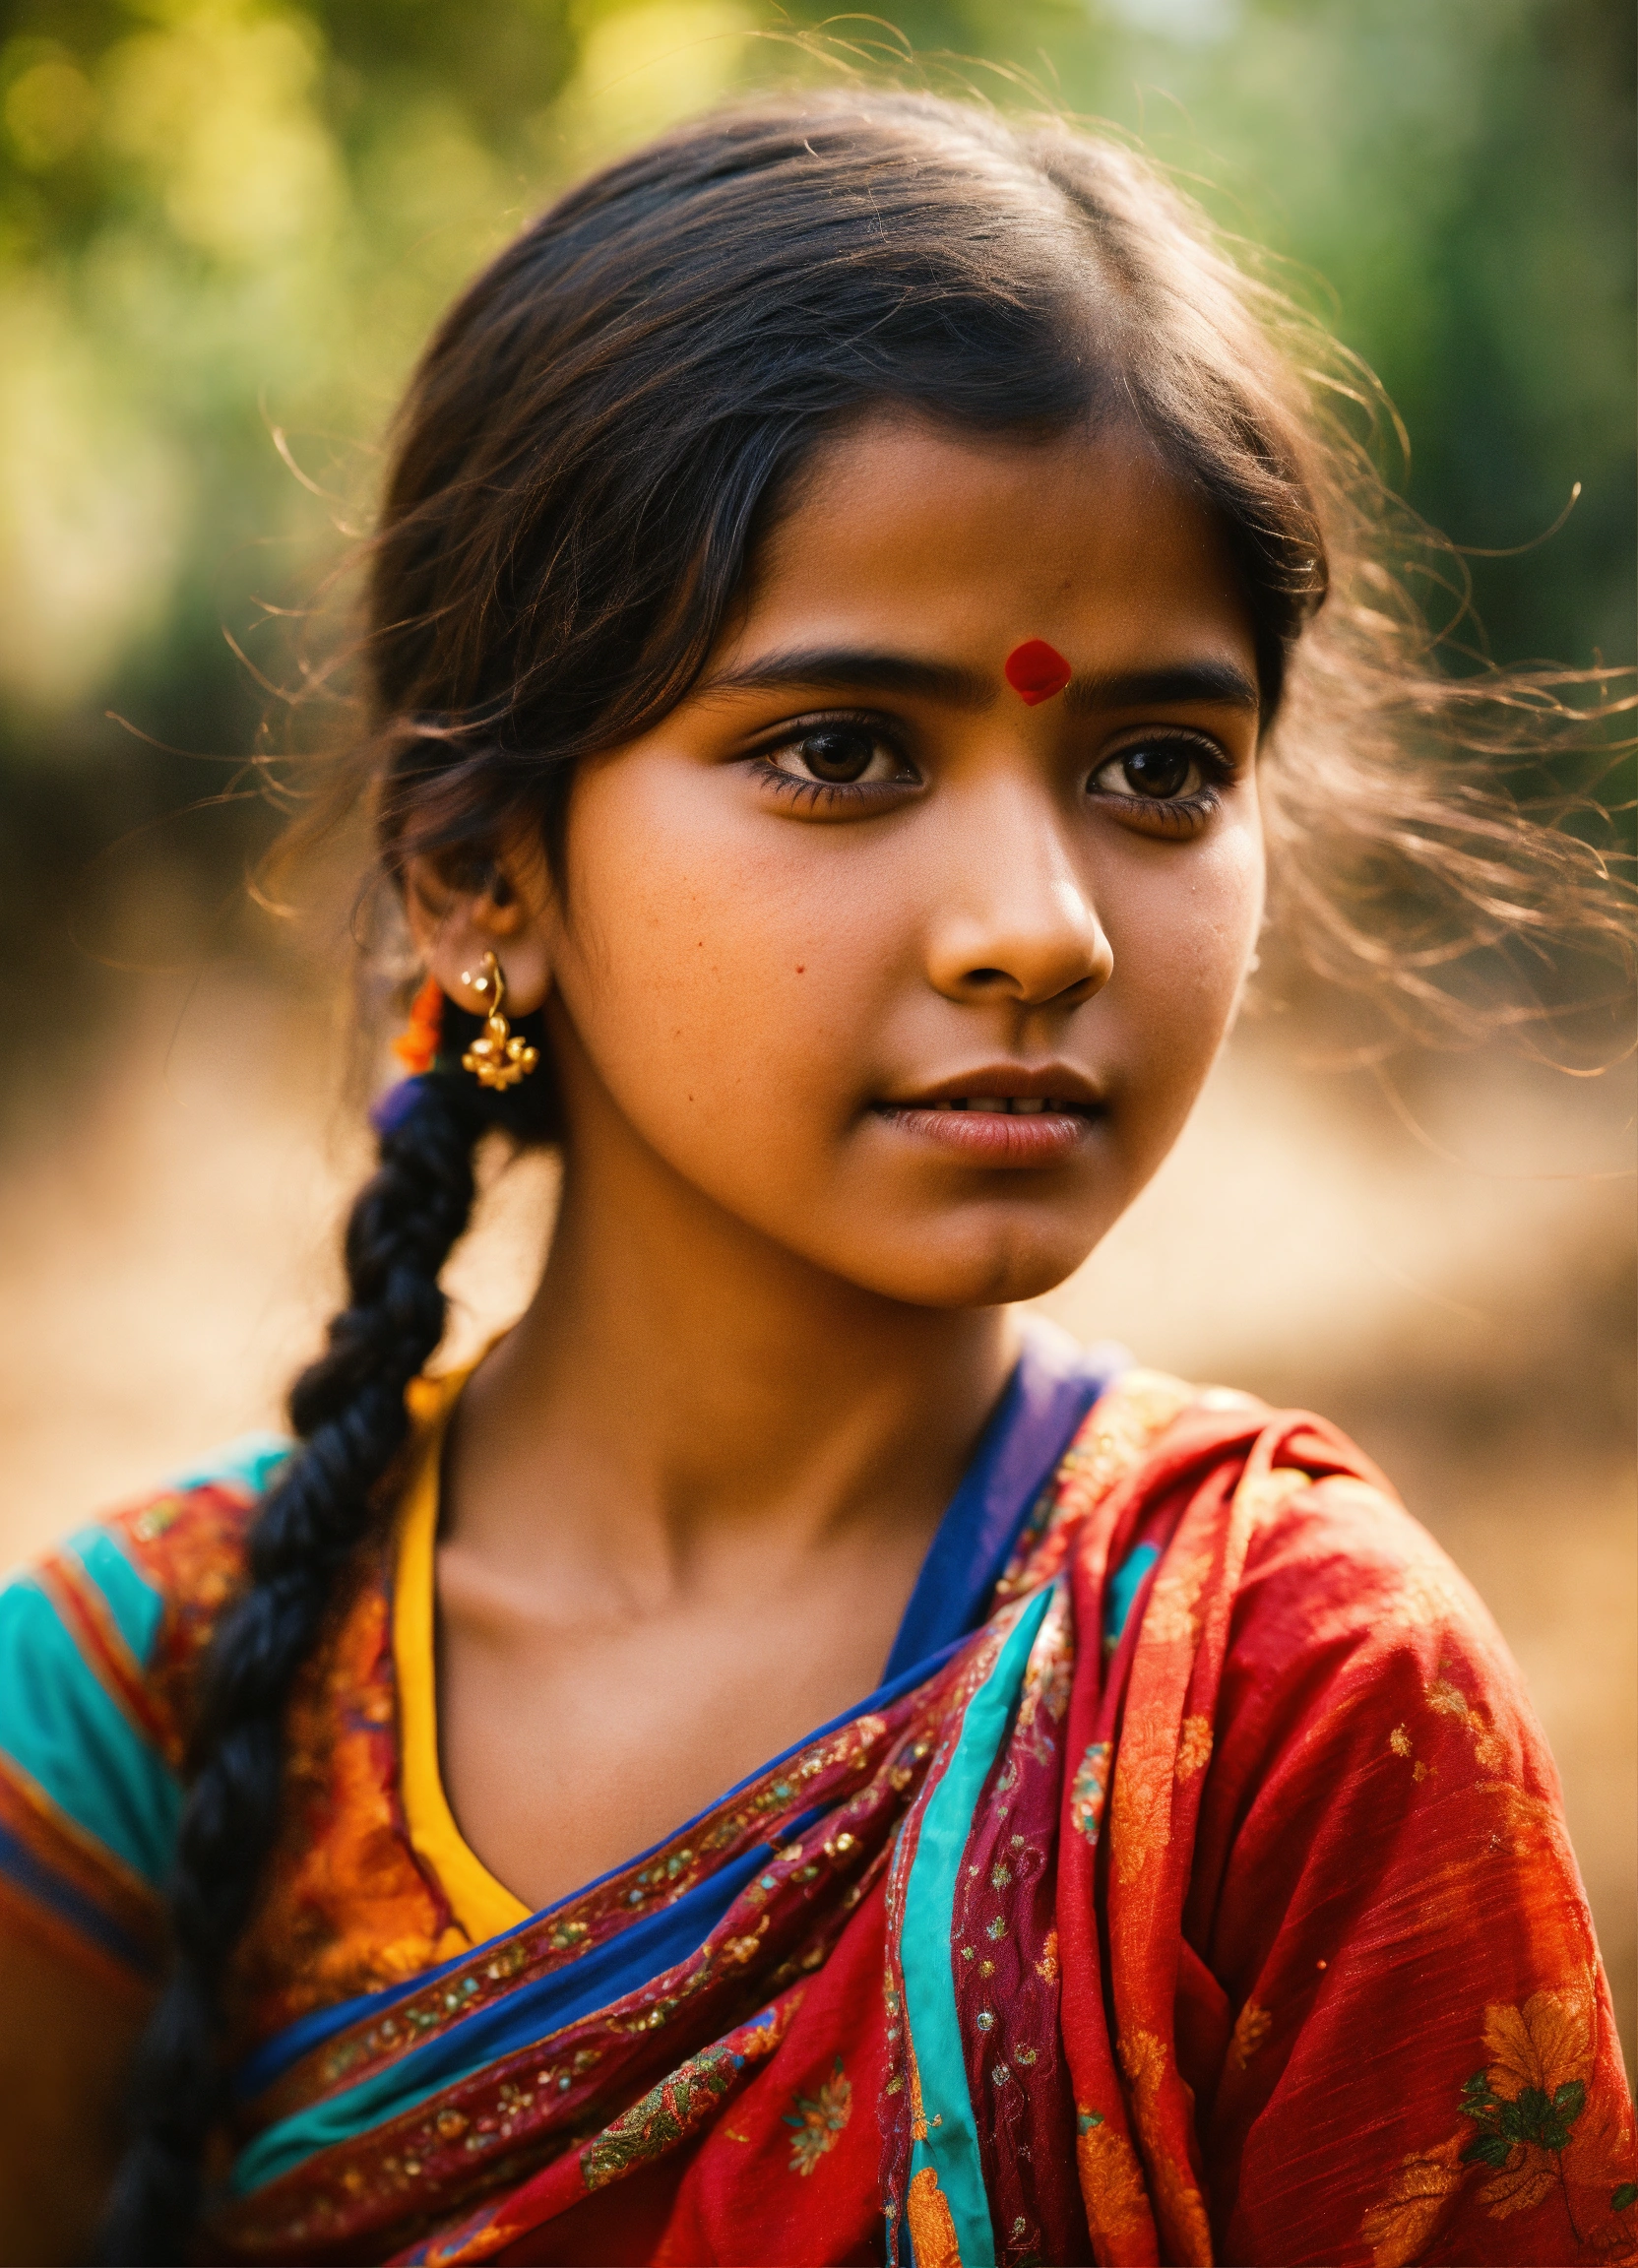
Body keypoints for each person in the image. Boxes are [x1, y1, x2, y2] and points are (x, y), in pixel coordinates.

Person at [0, 88, 1632, 2268]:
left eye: (1160, 768)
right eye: (841, 751)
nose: (1042, 927)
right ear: (482, 879)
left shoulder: (1297, 1704)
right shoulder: (127, 1709)